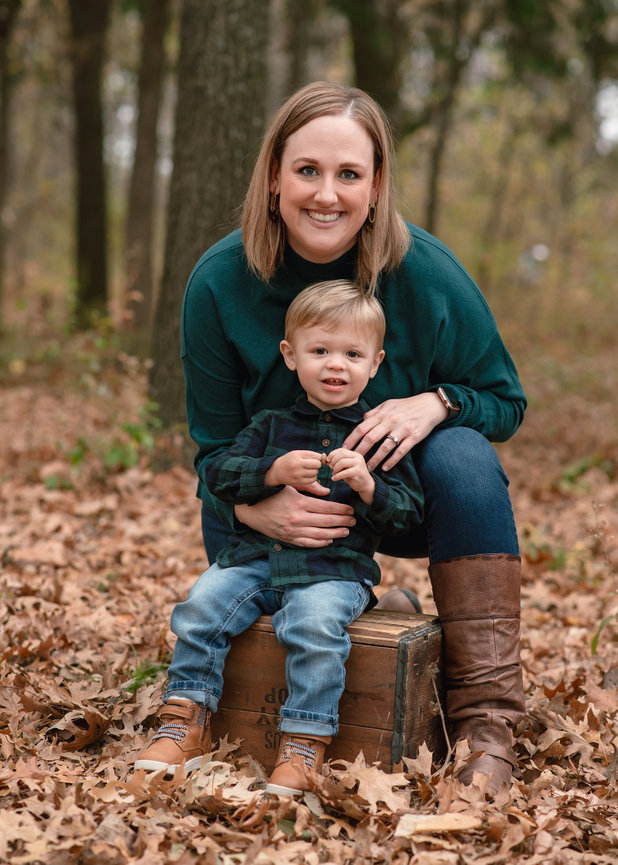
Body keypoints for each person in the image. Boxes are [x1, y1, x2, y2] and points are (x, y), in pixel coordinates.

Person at [166, 81, 526, 797]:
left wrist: (437, 401)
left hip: (400, 499)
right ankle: (209, 699)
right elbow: (211, 450)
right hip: (276, 512)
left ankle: (486, 718)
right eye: (307, 170)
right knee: (236, 476)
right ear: (274, 177)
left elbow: (505, 400)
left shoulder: (424, 272)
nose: (325, 194)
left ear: (376, 184)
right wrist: (251, 505)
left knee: (463, 452)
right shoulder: (219, 282)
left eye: (348, 174)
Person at [134, 280, 424, 795]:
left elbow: (410, 518)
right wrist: (271, 471)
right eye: (320, 351)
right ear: (291, 357)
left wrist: (369, 485)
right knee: (202, 605)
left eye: (352, 354)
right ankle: (185, 723)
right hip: (255, 562)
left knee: (314, 626)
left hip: (334, 573)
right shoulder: (270, 427)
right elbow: (218, 473)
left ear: (376, 363)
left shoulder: (379, 441)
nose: (336, 364)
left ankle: (304, 746)